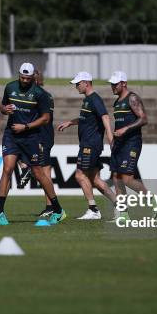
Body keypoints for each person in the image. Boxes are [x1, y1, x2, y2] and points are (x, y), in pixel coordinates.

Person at [0, 62, 66, 226]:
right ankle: (0, 212)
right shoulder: (10, 87)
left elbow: (45, 118)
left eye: (28, 78)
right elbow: (2, 106)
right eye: (22, 77)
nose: (25, 80)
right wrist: (4, 109)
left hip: (31, 137)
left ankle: (58, 210)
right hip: (11, 134)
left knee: (39, 173)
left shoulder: (40, 93)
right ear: (18, 75)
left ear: (33, 77)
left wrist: (26, 126)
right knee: (7, 168)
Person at [58, 71, 116, 220]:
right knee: (95, 180)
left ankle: (93, 209)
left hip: (90, 145)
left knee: (79, 175)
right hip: (89, 144)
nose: (76, 86)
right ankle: (121, 206)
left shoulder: (95, 99)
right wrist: (71, 122)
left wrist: (110, 137)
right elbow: (86, 118)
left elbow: (104, 117)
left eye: (78, 83)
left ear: (86, 83)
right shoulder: (87, 100)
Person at [107, 71, 149, 220]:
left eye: (115, 84)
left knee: (127, 179)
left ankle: (152, 201)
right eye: (111, 84)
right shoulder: (117, 102)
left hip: (132, 143)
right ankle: (123, 214)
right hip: (119, 145)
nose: (112, 86)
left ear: (124, 83)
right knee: (117, 178)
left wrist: (126, 129)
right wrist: (113, 140)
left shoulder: (132, 98)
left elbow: (143, 119)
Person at [18, 70, 56, 218]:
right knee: (40, 170)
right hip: (43, 136)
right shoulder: (47, 95)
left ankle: (50, 206)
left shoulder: (39, 95)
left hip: (41, 137)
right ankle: (26, 168)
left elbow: (42, 118)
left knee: (44, 173)